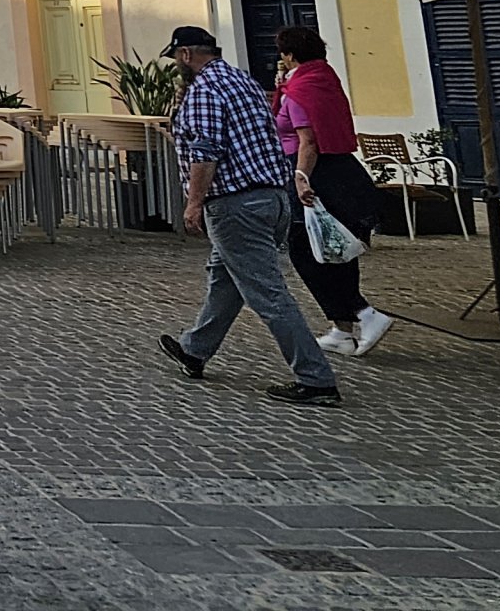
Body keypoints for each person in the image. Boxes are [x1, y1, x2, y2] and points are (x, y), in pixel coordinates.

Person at [157, 23, 340, 404]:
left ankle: (316, 379)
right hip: (272, 197)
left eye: (176, 57)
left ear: (186, 55)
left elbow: (205, 150)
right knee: (224, 278)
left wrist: (194, 202)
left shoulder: (204, 91)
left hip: (235, 205)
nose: (177, 64)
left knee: (268, 294)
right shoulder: (244, 81)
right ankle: (195, 349)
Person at [274, 24, 392, 358]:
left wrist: (301, 178)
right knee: (337, 247)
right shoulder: (323, 79)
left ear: (290, 55)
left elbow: (308, 142)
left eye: (282, 53)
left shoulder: (299, 91)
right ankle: (342, 330)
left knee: (305, 250)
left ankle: (363, 313)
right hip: (342, 170)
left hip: (315, 174)